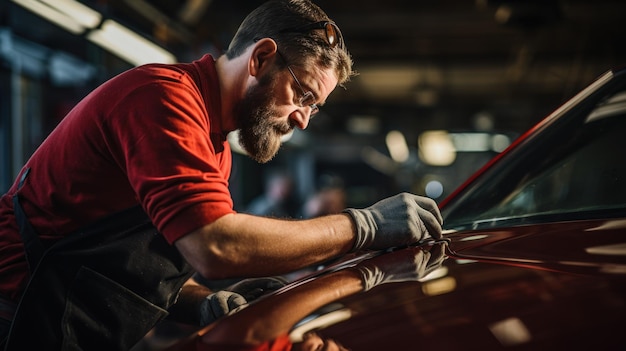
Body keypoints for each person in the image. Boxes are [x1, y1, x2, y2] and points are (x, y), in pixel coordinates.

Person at [0, 0, 444, 350]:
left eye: (314, 106)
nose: (303, 119)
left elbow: (136, 263)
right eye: (303, 95)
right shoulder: (163, 100)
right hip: (15, 312)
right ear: (261, 58)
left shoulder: (215, 145)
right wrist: (363, 226)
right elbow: (215, 246)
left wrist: (202, 303)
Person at [171, 241, 449, 351]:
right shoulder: (281, 342)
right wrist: (203, 302)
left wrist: (365, 274)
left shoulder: (266, 341)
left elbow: (247, 333)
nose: (332, 346)